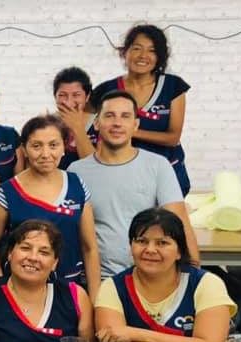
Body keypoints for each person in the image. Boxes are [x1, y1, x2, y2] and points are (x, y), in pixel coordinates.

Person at [69, 90, 199, 278]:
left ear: (135, 125)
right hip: (98, 279)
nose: (117, 123)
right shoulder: (77, 171)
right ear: (96, 123)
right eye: (109, 115)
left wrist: (193, 275)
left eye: (125, 116)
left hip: (148, 277)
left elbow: (180, 222)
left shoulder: (157, 165)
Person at [95, 208, 235, 342]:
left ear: (179, 251)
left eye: (162, 243)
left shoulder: (206, 283)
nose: (150, 250)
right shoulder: (112, 287)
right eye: (141, 241)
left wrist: (134, 334)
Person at [0, 115, 101, 299]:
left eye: (53, 145)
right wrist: (3, 290)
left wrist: (95, 300)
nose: (46, 154)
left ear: (64, 147)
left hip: (69, 290)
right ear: (24, 149)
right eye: (36, 146)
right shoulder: (9, 191)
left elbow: (90, 248)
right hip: (22, 291)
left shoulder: (77, 185)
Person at [0, 220, 94, 342]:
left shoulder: (75, 296)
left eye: (44, 252)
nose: (33, 257)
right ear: (10, 253)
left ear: (55, 263)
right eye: (25, 248)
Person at [90, 24, 191, 195]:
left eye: (152, 50)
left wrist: (128, 131)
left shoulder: (173, 86)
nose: (143, 55)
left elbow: (173, 138)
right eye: (137, 48)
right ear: (125, 52)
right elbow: (86, 125)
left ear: (159, 57)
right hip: (122, 174)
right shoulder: (105, 90)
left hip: (167, 171)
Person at [53, 67, 96, 170]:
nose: (69, 101)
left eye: (76, 95)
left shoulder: (100, 124)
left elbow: (94, 167)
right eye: (62, 95)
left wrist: (76, 126)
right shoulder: (46, 124)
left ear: (87, 97)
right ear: (55, 97)